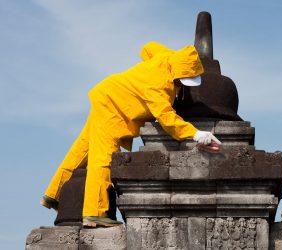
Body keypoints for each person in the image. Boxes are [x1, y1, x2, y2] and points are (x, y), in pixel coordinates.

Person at [41, 41, 221, 227]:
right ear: (176, 73)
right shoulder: (157, 88)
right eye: (182, 80)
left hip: (107, 93)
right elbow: (167, 118)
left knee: (83, 148)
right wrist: (196, 133)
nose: (183, 86)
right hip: (112, 106)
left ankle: (54, 194)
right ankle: (94, 212)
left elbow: (148, 48)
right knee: (103, 157)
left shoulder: (167, 57)